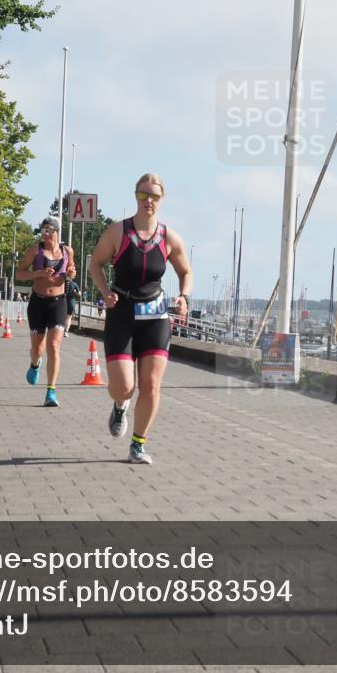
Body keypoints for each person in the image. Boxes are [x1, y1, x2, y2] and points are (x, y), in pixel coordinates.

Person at [89, 173, 192, 465]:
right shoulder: (117, 232)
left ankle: (138, 444)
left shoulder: (169, 238)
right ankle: (120, 405)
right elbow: (95, 264)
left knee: (151, 384)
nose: (148, 201)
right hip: (121, 312)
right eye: (143, 195)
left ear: (161, 199)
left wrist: (184, 296)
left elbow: (186, 271)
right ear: (135, 196)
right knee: (123, 386)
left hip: (155, 315)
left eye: (154, 196)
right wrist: (105, 292)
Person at [15, 216, 77, 406]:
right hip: (38, 303)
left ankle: (51, 391)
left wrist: (71, 273)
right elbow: (19, 273)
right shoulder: (36, 250)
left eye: (49, 230)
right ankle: (35, 364)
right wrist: (38, 273)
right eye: (43, 230)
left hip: (58, 303)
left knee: (54, 346)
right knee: (37, 349)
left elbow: (72, 268)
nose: (46, 234)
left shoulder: (67, 251)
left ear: (57, 231)